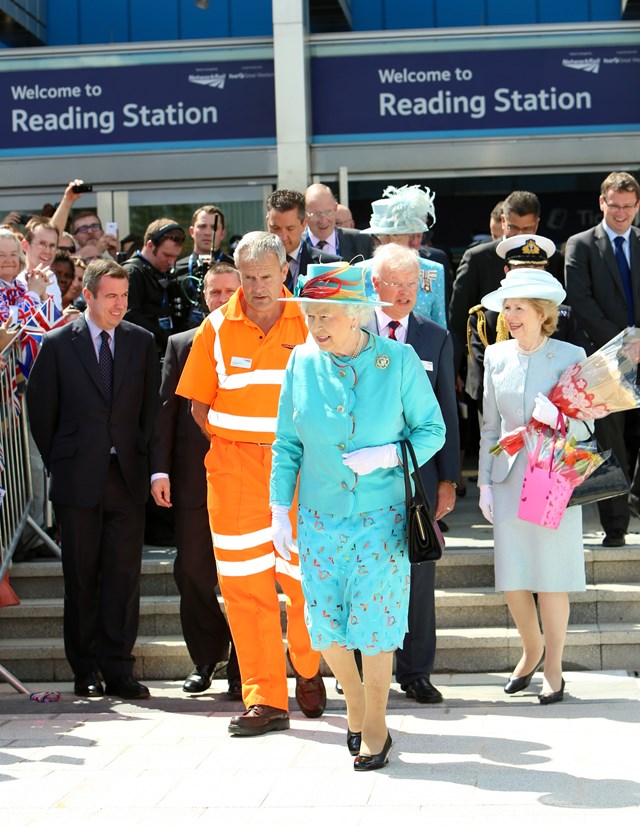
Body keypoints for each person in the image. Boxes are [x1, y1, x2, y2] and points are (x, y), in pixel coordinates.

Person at [270, 262, 446, 770]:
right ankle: (354, 702)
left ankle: (375, 727)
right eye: (310, 317)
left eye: (326, 316)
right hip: (320, 517)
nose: (317, 327)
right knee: (325, 627)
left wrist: (389, 455)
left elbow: (432, 430)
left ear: (356, 315)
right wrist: (280, 508)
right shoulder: (301, 362)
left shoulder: (399, 358)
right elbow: (286, 445)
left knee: (375, 625)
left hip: (381, 515)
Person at [176, 231, 326, 736]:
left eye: (266, 276)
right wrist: (241, 440)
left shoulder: (310, 320)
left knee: (304, 582)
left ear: (285, 271)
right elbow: (199, 404)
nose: (258, 287)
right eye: (248, 277)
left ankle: (306, 667)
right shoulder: (215, 328)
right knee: (244, 588)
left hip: (301, 472)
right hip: (235, 472)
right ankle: (265, 699)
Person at [26, 258, 160, 700]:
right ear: (88, 296)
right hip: (78, 478)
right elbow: (41, 412)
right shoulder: (59, 342)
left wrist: (141, 458)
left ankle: (118, 668)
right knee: (81, 578)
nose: (120, 305)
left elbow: (149, 413)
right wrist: (63, 462)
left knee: (123, 578)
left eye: (124, 296)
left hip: (126, 476)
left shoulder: (141, 342)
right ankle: (84, 669)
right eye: (111, 297)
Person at [477, 268, 589, 705]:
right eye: (506, 307)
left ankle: (555, 669)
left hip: (551, 471)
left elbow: (588, 420)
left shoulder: (569, 353)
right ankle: (531, 650)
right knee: (513, 577)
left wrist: (558, 416)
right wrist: (485, 482)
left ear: (542, 313)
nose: (509, 315)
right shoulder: (496, 356)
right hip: (508, 475)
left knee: (551, 574)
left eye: (517, 307)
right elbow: (489, 425)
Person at [370, 244, 459, 704]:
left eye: (411, 284)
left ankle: (416, 671)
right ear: (375, 285)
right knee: (367, 570)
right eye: (395, 284)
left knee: (419, 574)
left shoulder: (434, 336)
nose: (404, 293)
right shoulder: (354, 331)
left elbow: (447, 410)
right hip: (363, 476)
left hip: (418, 477)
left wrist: (448, 479)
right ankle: (369, 671)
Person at [151, 265, 241, 698]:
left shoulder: (261, 341)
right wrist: (160, 471)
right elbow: (166, 412)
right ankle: (207, 657)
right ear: (203, 295)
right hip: (193, 482)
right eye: (215, 291)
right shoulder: (182, 344)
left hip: (246, 480)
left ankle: (245, 666)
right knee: (192, 573)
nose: (222, 298)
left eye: (230, 291)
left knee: (246, 577)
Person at [565, 171, 640, 547]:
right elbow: (581, 302)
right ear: (602, 203)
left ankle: (634, 500)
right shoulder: (581, 245)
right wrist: (625, 342)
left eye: (628, 206)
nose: (622, 213)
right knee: (611, 444)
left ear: (637, 205)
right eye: (615, 206)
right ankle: (615, 526)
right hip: (606, 361)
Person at [358, 185, 447, 328]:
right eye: (384, 235)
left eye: (398, 234)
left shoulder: (432, 270)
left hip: (421, 348)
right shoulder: (359, 271)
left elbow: (440, 325)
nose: (389, 240)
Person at [123, 218, 186, 354]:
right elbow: (129, 316)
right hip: (141, 352)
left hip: (163, 350)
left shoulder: (164, 273)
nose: (171, 261)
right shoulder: (133, 272)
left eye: (175, 257)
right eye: (167, 255)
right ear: (150, 245)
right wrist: (164, 338)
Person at [266, 189, 340, 290]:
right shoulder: (254, 264)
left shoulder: (330, 265)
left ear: (304, 224)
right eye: (275, 228)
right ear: (267, 222)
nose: (282, 237)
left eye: (290, 228)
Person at [304, 184, 373, 261]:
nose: (323, 221)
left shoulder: (362, 241)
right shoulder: (294, 244)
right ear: (304, 213)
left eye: (328, 212)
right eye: (316, 214)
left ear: (335, 208)